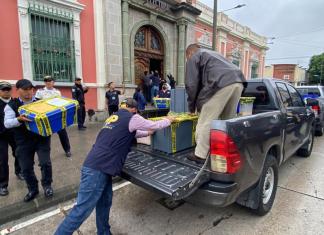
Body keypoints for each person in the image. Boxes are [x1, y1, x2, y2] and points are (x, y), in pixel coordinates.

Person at [55, 98, 175, 235]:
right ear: (134, 109)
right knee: (81, 210)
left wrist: (147, 133)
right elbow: (153, 125)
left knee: (104, 202)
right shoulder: (133, 117)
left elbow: (131, 132)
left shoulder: (113, 117)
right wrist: (168, 120)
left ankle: (104, 232)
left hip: (99, 165)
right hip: (98, 168)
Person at [185, 44, 246, 163]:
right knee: (227, 121)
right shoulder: (215, 54)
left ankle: (200, 155)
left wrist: (192, 107)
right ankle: (229, 149)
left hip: (219, 84)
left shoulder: (194, 56)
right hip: (238, 82)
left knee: (205, 120)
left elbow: (191, 84)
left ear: (189, 53)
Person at [4, 79, 53, 202]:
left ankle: (47, 185)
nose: (29, 92)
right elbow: (7, 124)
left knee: (45, 163)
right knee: (25, 167)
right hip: (23, 141)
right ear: (18, 90)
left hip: (42, 138)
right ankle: (33, 189)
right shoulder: (11, 106)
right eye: (25, 89)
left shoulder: (41, 102)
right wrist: (19, 119)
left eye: (31, 89)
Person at [35, 76, 72, 157]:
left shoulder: (57, 92)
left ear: (53, 82)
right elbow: (36, 104)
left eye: (49, 81)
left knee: (63, 133)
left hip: (56, 116)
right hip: (45, 116)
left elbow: (60, 103)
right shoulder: (40, 92)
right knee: (45, 136)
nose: (48, 82)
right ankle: (44, 154)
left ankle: (67, 150)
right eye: (46, 81)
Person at [0, 82, 23, 196]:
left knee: (18, 154)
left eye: (8, 89)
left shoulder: (16, 103)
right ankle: (3, 185)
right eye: (3, 89)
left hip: (14, 133)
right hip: (1, 136)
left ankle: (19, 172)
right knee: (2, 159)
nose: (6, 91)